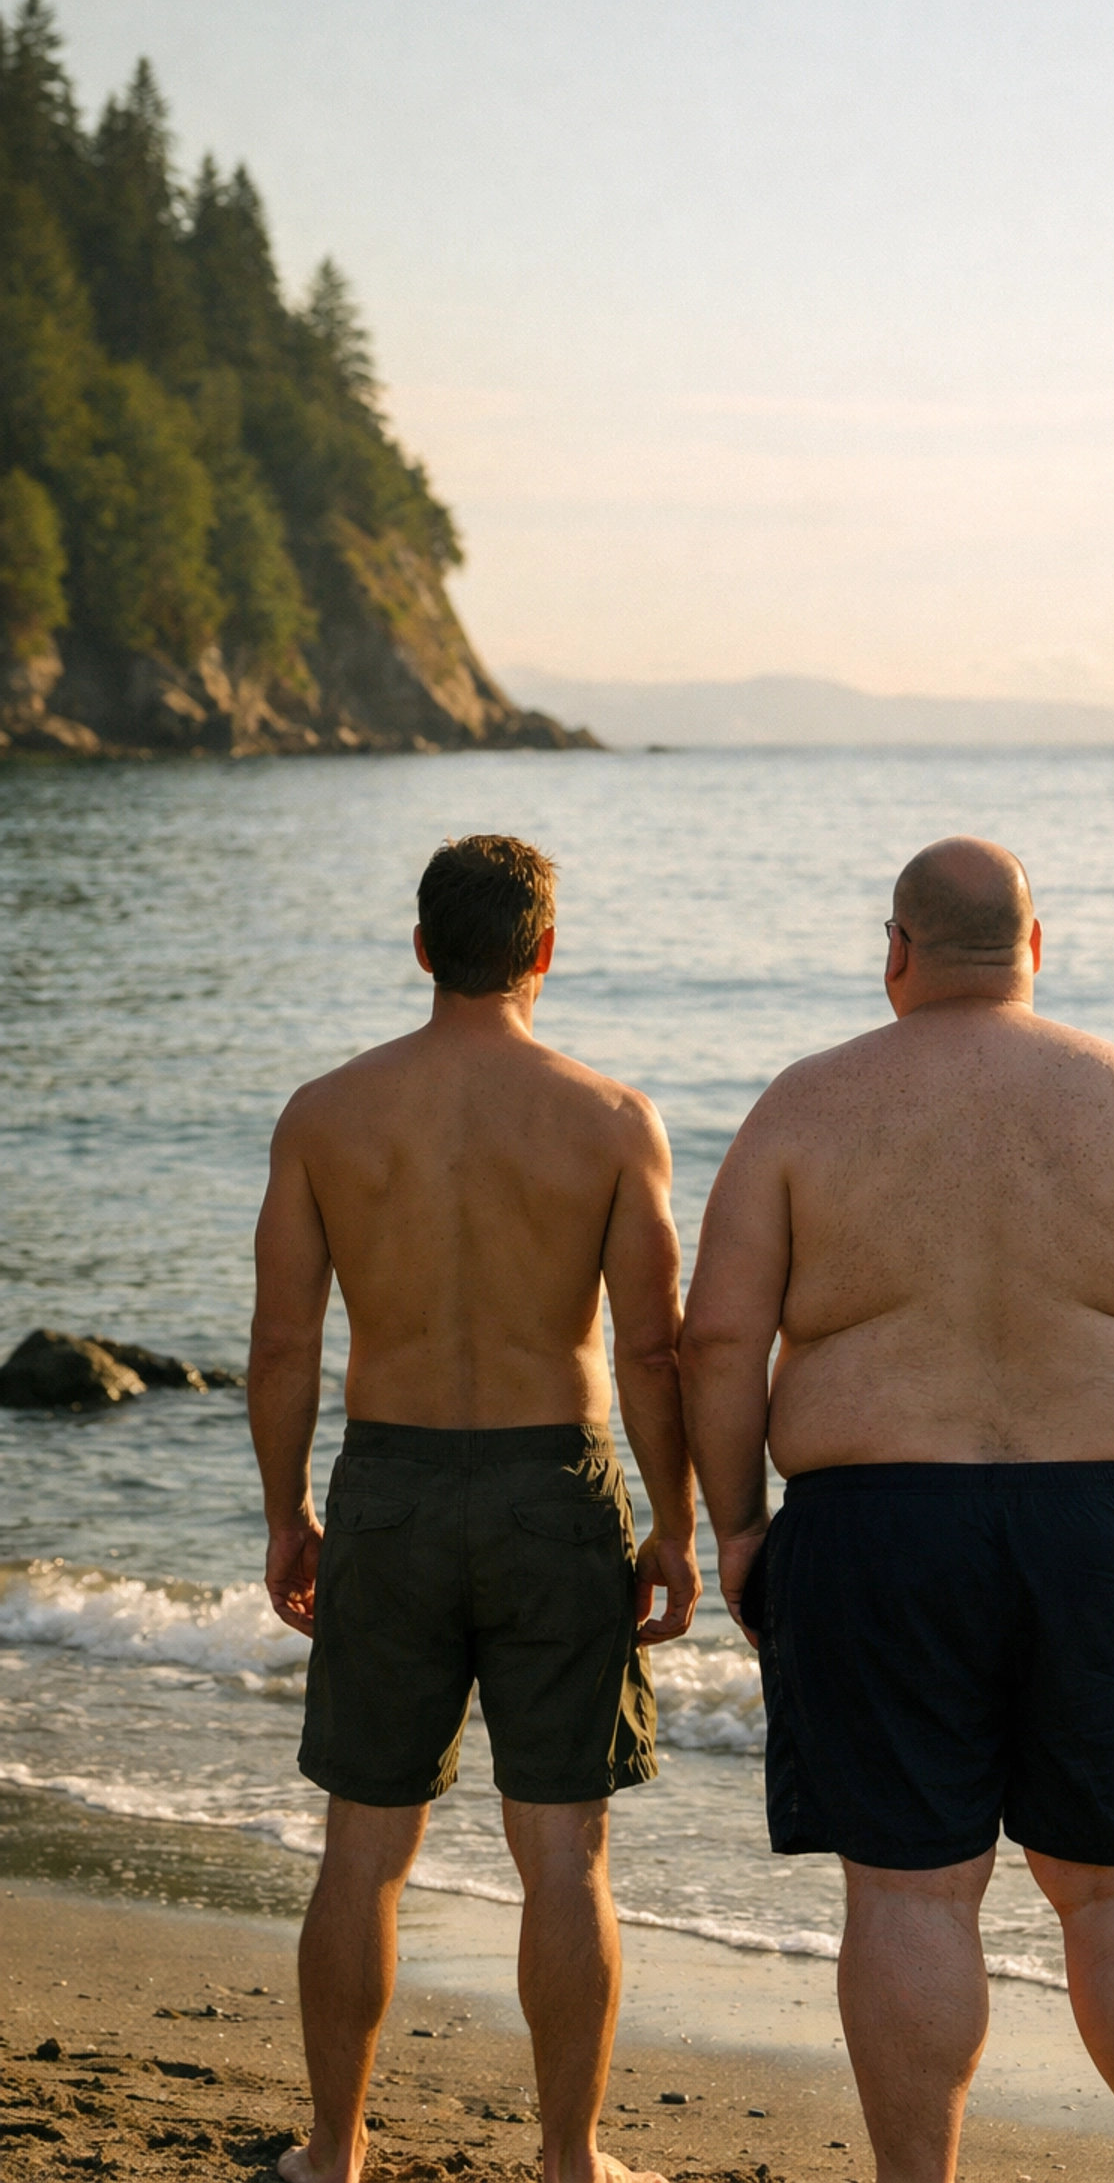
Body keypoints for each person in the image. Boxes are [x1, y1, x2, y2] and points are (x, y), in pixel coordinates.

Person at [680, 836, 1114, 2183]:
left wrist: (737, 1526)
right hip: (1107, 1527)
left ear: (895, 952)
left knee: (909, 1891)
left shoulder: (805, 1104)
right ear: (1036, 947)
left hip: (875, 1521)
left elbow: (717, 1344)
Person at [249, 834, 699, 2183]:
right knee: (565, 1854)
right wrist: (675, 1527)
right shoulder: (610, 1121)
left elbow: (281, 1349)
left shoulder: (326, 1116)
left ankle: (335, 2152)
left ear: (423, 948)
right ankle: (571, 2162)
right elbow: (654, 1353)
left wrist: (287, 1516)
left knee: (364, 1849)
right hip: (552, 1493)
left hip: (386, 1484)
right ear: (545, 952)